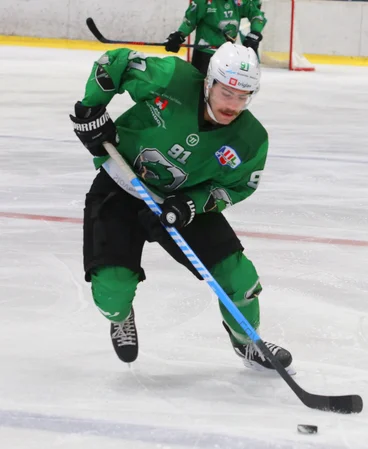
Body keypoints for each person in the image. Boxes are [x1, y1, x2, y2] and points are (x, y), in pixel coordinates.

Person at [68, 42, 293, 374]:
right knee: (112, 293)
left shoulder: (250, 139)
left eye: (243, 96)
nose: (233, 104)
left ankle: (248, 343)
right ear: (208, 83)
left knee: (239, 277)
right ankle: (121, 317)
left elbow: (239, 185)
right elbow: (116, 62)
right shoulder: (171, 79)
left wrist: (194, 203)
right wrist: (91, 110)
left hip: (180, 204)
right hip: (120, 185)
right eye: (226, 92)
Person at [164, 0, 266, 74]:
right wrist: (179, 36)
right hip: (204, 56)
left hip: (228, 55)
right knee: (199, 93)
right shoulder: (203, 2)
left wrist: (254, 34)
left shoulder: (241, 1)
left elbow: (256, 15)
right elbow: (189, 22)